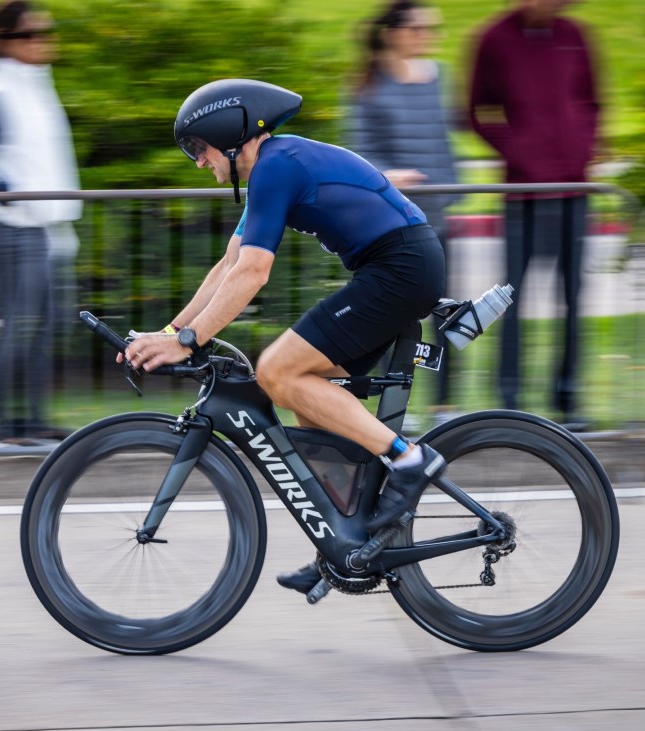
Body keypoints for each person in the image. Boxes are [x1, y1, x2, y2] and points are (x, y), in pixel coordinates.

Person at [123, 79, 447, 596]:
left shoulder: (276, 165)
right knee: (307, 400)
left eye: (200, 151)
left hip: (401, 266)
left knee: (278, 371)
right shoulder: (271, 169)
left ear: (227, 136)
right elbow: (228, 266)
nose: (199, 163)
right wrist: (169, 333)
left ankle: (410, 460)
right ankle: (346, 544)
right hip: (397, 265)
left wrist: (187, 340)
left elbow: (253, 273)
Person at [0, 0, 81, 446]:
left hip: (42, 222)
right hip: (12, 223)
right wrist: (12, 196)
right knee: (19, 321)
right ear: (3, 42)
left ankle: (35, 422)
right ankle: (7, 427)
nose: (42, 40)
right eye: (30, 34)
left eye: (45, 31)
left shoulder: (33, 83)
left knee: (46, 323)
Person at [467, 0, 600, 429]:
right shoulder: (493, 38)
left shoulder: (575, 36)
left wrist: (582, 148)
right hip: (523, 191)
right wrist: (520, 152)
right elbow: (474, 112)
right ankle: (510, 398)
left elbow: (592, 102)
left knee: (573, 297)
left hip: (574, 189)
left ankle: (568, 398)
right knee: (512, 297)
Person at [346, 0, 459, 428]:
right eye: (418, 28)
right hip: (393, 222)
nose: (427, 35)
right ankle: (392, 404)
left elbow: (445, 140)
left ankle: (446, 407)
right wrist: (390, 174)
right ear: (393, 31)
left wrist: (450, 188)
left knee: (446, 312)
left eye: (431, 28)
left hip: (438, 214)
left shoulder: (438, 77)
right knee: (394, 314)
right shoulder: (369, 83)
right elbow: (357, 152)